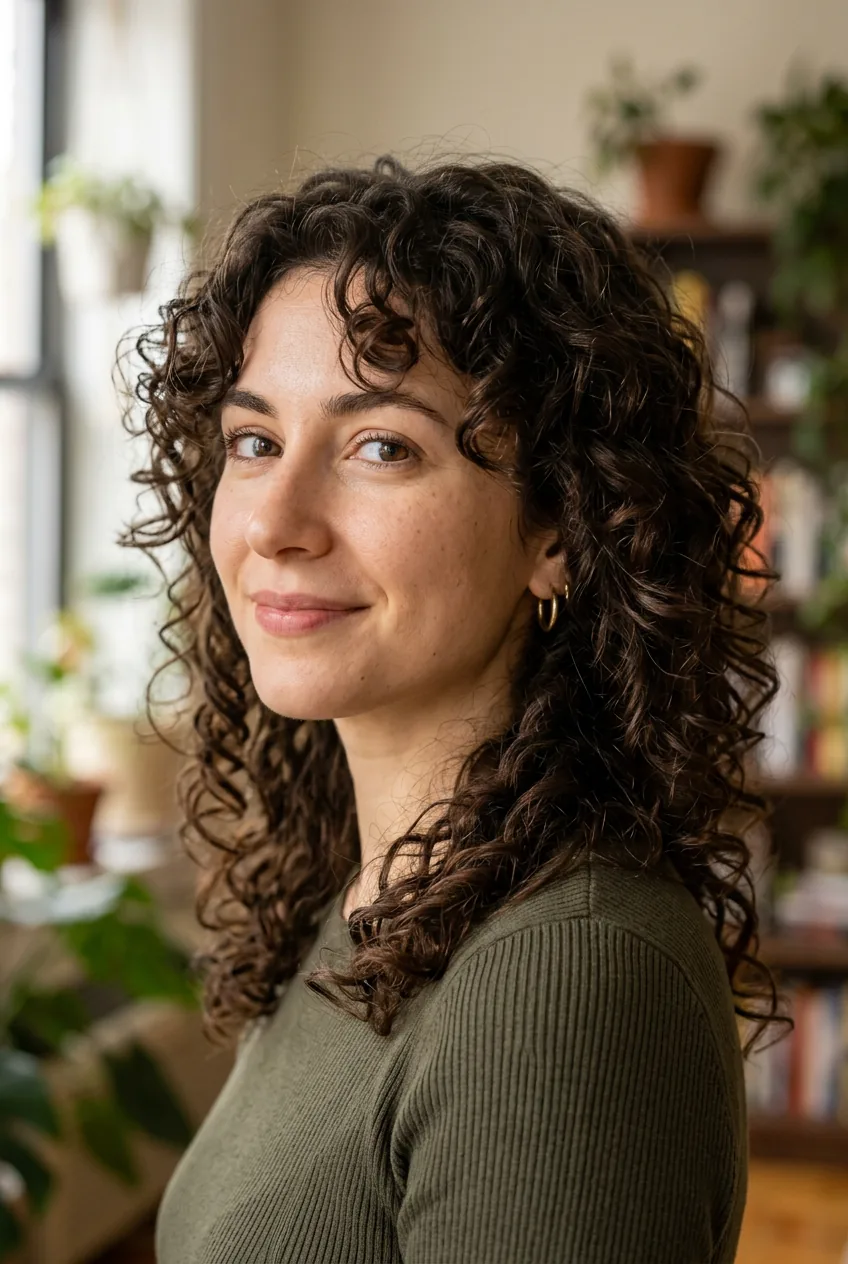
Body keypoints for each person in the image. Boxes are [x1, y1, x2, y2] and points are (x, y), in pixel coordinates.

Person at [122, 154, 787, 1263]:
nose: (274, 521)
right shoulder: (379, 889)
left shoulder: (562, 979)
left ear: (558, 528)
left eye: (380, 445)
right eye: (254, 440)